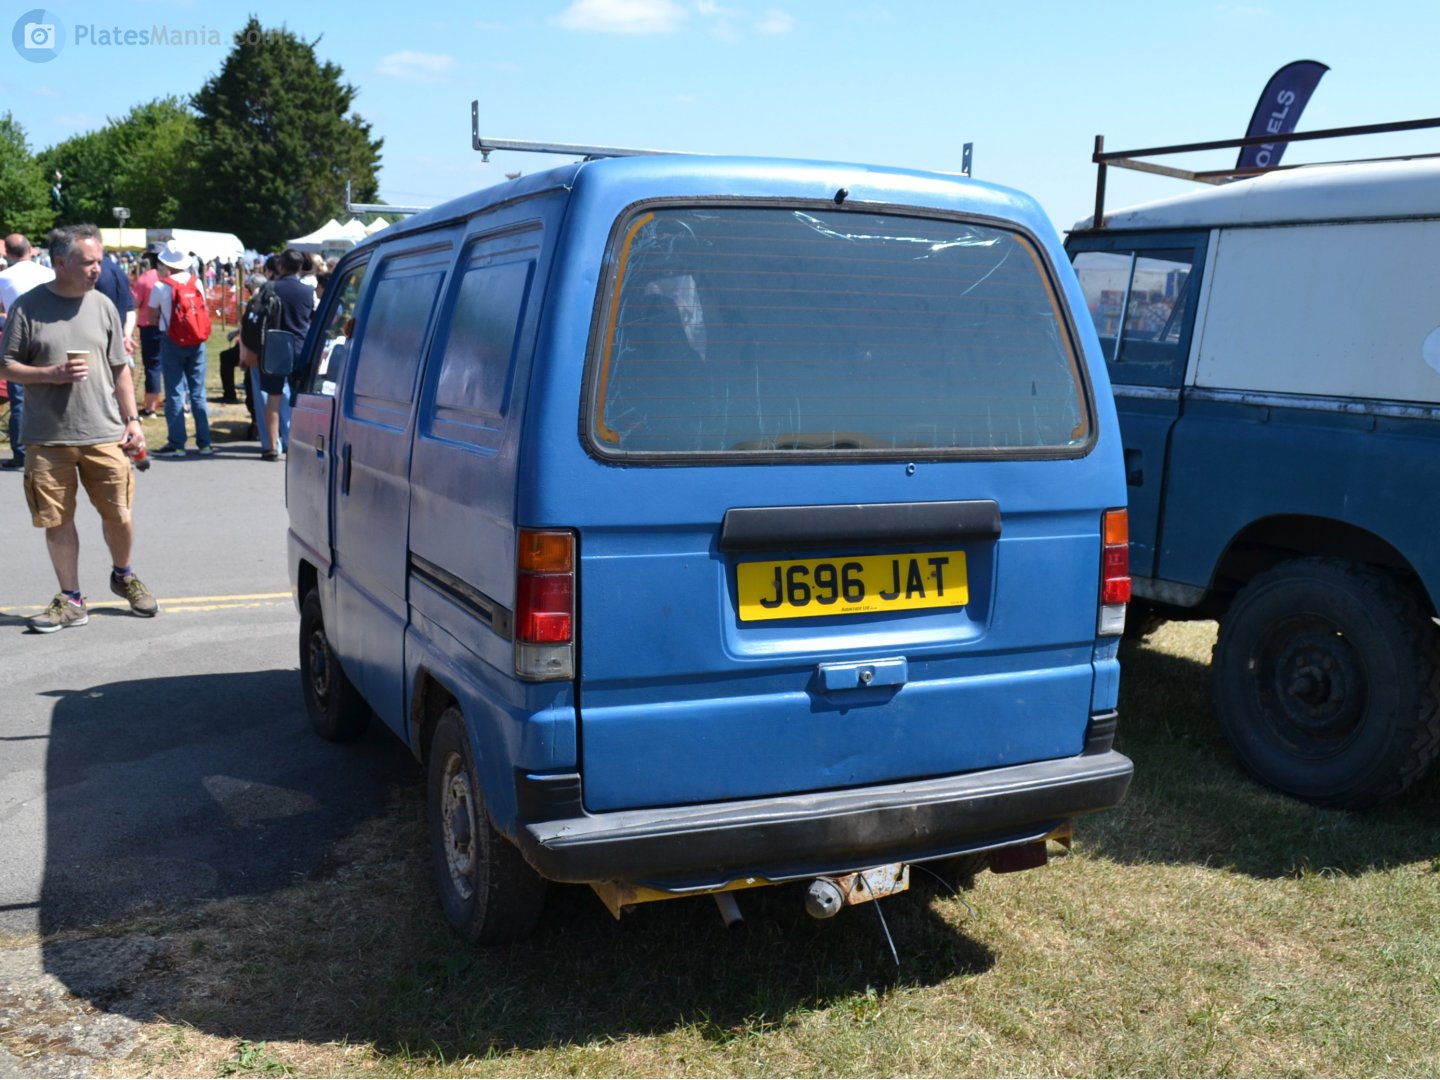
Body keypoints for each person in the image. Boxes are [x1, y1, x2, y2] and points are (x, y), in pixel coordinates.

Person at [0, 223, 158, 632]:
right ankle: (70, 600)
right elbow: (7, 366)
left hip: (104, 431)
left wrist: (133, 421)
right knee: (57, 520)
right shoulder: (27, 307)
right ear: (60, 263)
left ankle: (123, 575)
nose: (96, 269)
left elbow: (120, 369)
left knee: (119, 513)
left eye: (99, 261)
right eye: (88, 262)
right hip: (47, 436)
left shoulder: (103, 304)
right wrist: (50, 373)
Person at [147, 242, 213, 457]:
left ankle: (177, 443)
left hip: (172, 340)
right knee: (197, 393)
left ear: (167, 264)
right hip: (196, 340)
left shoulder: (161, 286)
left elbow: (151, 316)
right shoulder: (197, 283)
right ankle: (205, 443)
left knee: (175, 392)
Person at [0, 235, 56, 470]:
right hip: (50, 336)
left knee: (20, 399)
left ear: (9, 254)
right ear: (31, 250)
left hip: (19, 339)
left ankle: (21, 453)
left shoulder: (3, 278)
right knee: (53, 394)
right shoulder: (48, 273)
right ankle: (53, 447)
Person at [130, 250, 163, 416]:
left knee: (152, 366)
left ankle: (150, 406)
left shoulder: (145, 279)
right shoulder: (170, 277)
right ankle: (182, 404)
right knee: (174, 365)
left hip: (149, 326)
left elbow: (135, 302)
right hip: (169, 326)